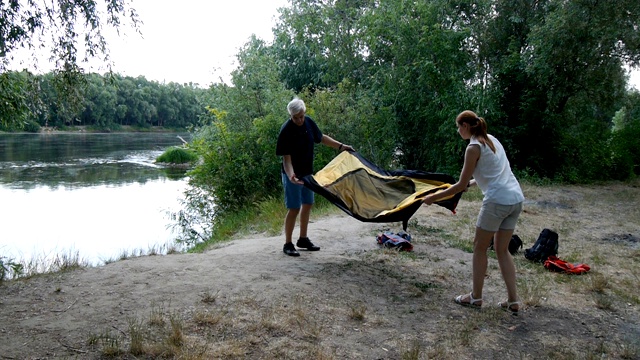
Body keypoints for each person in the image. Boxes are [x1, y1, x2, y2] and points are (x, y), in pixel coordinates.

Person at [422, 110, 525, 314]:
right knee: (502, 250)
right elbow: (493, 172)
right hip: (515, 199)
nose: (458, 131)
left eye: (458, 127)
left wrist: (433, 198)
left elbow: (459, 185)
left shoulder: (473, 148)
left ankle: (476, 297)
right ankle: (513, 300)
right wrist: (471, 181)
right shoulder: (491, 140)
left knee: (479, 247)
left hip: (497, 201)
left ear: (466, 126)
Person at [276, 98, 354, 257]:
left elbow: (321, 137)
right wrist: (291, 176)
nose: (299, 120)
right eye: (296, 117)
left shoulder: (309, 123)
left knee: (308, 203)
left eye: (301, 116)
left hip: (307, 173)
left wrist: (341, 146)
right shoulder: (286, 131)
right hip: (292, 175)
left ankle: (303, 239)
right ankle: (288, 243)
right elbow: (287, 159)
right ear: (291, 115)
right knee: (294, 208)